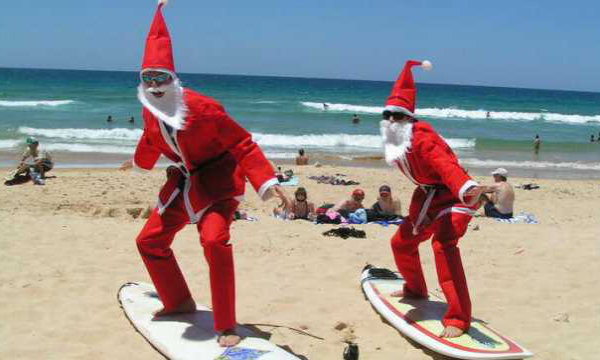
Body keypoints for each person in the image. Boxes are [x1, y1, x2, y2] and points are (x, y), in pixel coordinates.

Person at [119, 1, 289, 347]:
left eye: (160, 77)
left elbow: (242, 142)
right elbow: (150, 139)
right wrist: (137, 163)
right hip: (182, 184)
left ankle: (226, 325)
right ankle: (178, 301)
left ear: (173, 78)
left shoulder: (203, 108)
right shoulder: (150, 108)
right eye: (147, 78)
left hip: (216, 184)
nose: (153, 84)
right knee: (149, 241)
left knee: (213, 242)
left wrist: (269, 183)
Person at [380, 60, 484, 338]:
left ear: (409, 118)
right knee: (401, 243)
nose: (391, 120)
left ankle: (459, 318)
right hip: (428, 196)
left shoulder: (422, 136)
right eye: (387, 114)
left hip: (454, 194)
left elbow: (445, 165)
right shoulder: (398, 140)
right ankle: (415, 289)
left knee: (443, 245)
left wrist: (466, 188)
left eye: (397, 116)